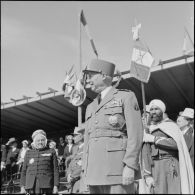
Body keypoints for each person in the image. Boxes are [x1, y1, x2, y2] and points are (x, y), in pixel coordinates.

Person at [81, 59, 143, 194]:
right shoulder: (90, 107)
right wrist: (84, 173)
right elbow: (87, 142)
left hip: (117, 170)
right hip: (93, 173)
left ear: (103, 75)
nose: (88, 80)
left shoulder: (126, 96)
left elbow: (135, 134)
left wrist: (130, 166)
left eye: (91, 76)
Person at [141, 99, 194, 194]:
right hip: (155, 167)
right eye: (152, 109)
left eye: (156, 109)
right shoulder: (148, 129)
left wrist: (154, 139)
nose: (153, 111)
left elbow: (176, 144)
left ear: (162, 111)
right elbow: (146, 152)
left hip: (171, 166)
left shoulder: (171, 126)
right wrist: (147, 174)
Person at [20, 129, 59, 194]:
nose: (40, 142)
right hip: (31, 186)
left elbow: (55, 170)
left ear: (45, 141)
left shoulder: (51, 151)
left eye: (42, 140)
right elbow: (24, 170)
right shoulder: (28, 152)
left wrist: (56, 186)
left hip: (47, 185)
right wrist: (22, 186)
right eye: (38, 140)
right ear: (34, 142)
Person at [66, 124, 88, 194]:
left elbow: (82, 165)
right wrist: (68, 174)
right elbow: (71, 164)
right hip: (73, 182)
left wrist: (72, 176)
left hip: (80, 181)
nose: (73, 138)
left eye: (75, 135)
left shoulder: (86, 148)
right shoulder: (75, 148)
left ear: (81, 136)